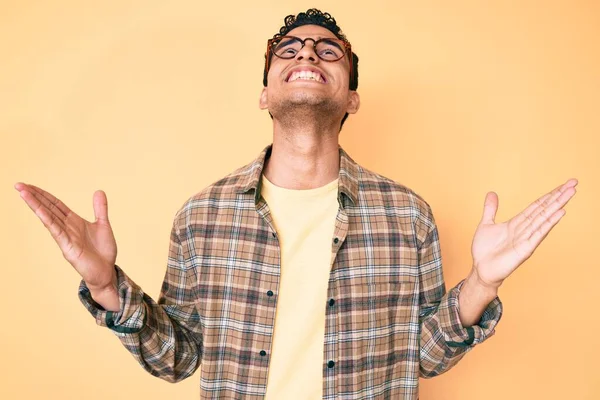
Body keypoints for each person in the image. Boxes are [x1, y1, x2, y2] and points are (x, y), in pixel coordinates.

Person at [15, 8, 577, 400]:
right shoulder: (201, 217)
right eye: (290, 49)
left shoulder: (407, 216)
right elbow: (177, 359)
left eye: (328, 51)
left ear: (351, 95)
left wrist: (483, 282)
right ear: (265, 93)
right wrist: (107, 287)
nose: (307, 52)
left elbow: (422, 358)